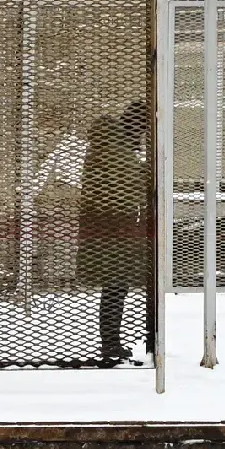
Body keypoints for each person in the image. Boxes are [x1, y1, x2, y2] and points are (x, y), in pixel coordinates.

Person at [77, 100, 151, 363]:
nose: (143, 137)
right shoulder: (115, 150)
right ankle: (110, 344)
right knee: (115, 286)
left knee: (115, 286)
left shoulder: (109, 147)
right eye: (143, 129)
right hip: (113, 229)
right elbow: (128, 188)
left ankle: (111, 342)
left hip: (108, 227)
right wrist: (148, 171)